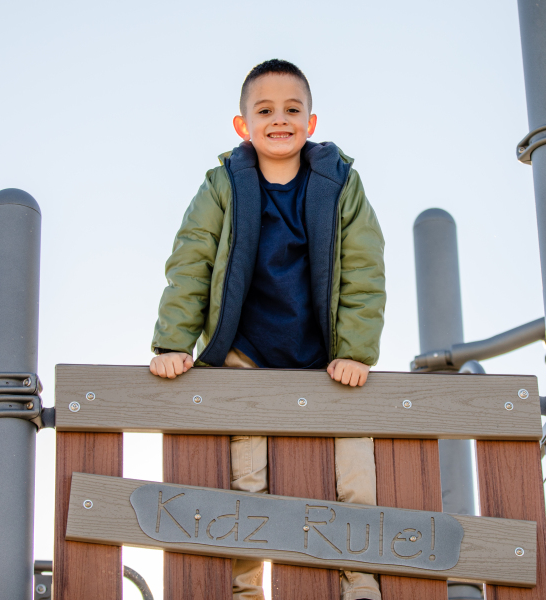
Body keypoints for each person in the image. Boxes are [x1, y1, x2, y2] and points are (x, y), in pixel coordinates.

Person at [150, 58, 386, 600]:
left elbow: (365, 269)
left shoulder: (338, 184)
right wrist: (172, 344)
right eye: (265, 110)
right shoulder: (224, 186)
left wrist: (354, 352)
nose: (279, 120)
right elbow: (191, 262)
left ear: (312, 121)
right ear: (243, 126)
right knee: (247, 481)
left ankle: (361, 585)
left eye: (292, 109)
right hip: (246, 354)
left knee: (351, 477)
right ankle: (244, 590)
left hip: (325, 359)